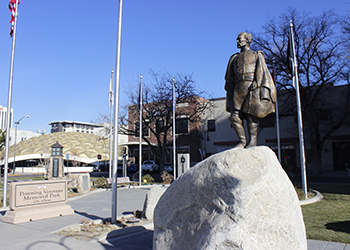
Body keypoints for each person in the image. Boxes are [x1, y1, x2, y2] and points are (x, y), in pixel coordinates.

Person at [225, 32, 276, 148]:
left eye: (239, 39)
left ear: (247, 41)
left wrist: (257, 82)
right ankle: (242, 141)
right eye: (237, 39)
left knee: (251, 116)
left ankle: (252, 141)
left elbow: (261, 69)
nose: (237, 42)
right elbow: (229, 76)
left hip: (251, 87)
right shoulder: (234, 58)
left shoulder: (256, 54)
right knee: (234, 116)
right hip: (238, 88)